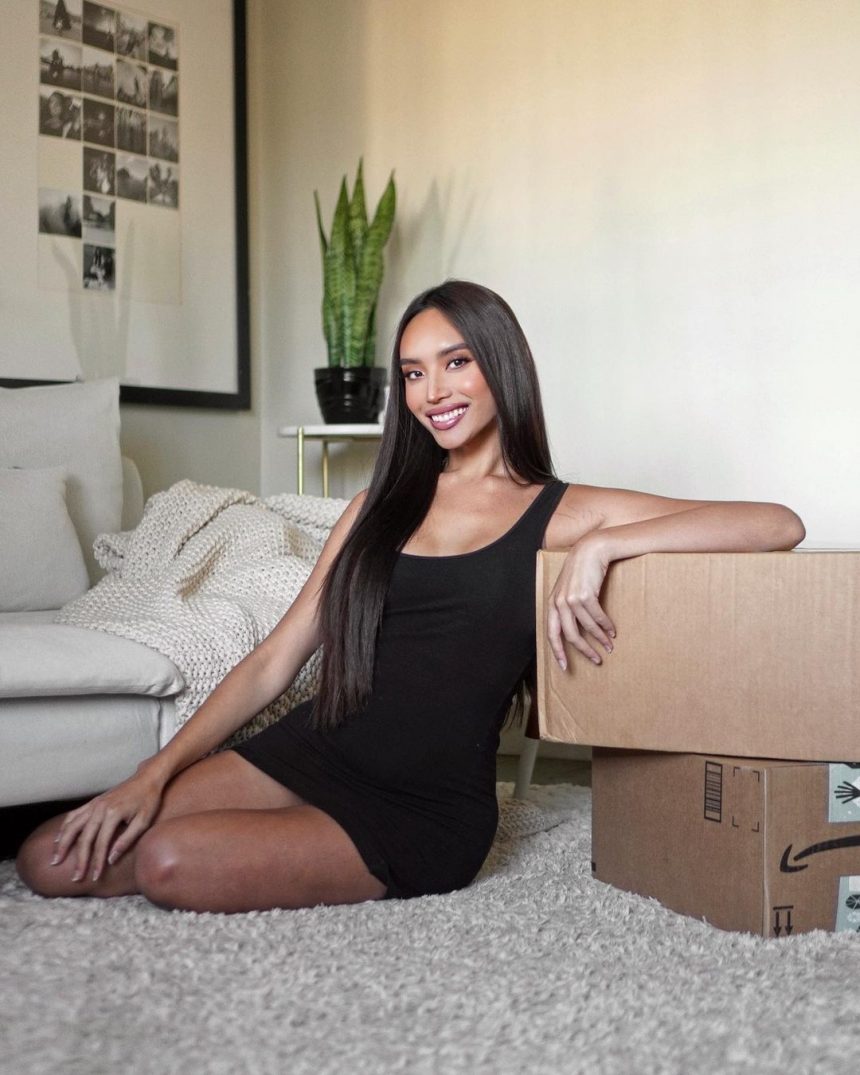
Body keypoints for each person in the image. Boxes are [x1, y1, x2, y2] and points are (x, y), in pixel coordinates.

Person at [15, 280, 805, 913]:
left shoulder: (564, 511)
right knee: (47, 857)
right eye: (415, 372)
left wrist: (603, 546)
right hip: (316, 747)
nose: (434, 390)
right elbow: (272, 662)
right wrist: (150, 774)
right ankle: (262, 831)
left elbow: (777, 523)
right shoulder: (377, 505)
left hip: (423, 804)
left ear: (501, 364)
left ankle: (285, 845)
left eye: (456, 362)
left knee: (167, 860)